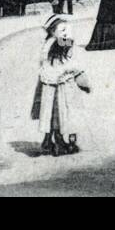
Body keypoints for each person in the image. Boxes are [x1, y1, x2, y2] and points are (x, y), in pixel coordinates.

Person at [30, 14, 91, 156]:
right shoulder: (62, 43)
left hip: (48, 85)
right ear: (53, 31)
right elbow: (73, 63)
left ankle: (48, 141)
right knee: (63, 113)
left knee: (50, 113)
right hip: (62, 85)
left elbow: (44, 63)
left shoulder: (47, 44)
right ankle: (60, 142)